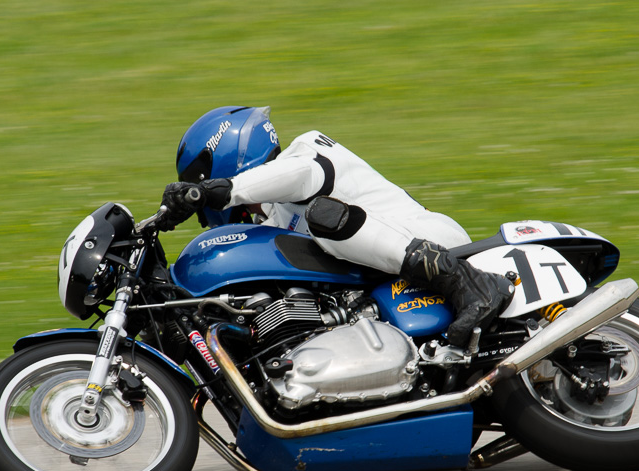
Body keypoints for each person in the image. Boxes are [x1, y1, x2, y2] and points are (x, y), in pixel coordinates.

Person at [160, 105, 514, 347]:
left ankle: (472, 285)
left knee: (324, 216)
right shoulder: (274, 221)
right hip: (383, 286)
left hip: (435, 246)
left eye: (199, 179)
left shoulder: (304, 155)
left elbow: (296, 176)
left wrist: (213, 191)